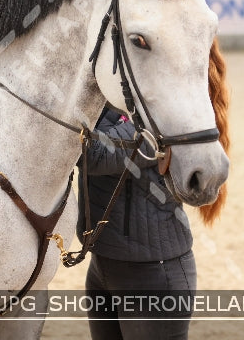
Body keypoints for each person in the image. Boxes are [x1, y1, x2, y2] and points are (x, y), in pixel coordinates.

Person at [78, 108, 196, 340]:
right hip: (104, 264)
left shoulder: (155, 117)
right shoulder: (106, 107)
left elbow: (95, 154)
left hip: (153, 274)